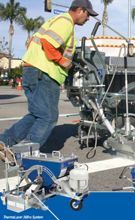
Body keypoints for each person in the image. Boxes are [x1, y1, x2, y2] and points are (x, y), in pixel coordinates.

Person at [0, 0, 98, 163]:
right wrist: (62, 60)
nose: (88, 18)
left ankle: (5, 141)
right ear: (80, 10)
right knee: (49, 116)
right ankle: (23, 154)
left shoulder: (56, 21)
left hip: (34, 70)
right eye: (88, 14)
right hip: (44, 73)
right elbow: (47, 43)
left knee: (37, 114)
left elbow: (33, 41)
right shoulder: (66, 22)